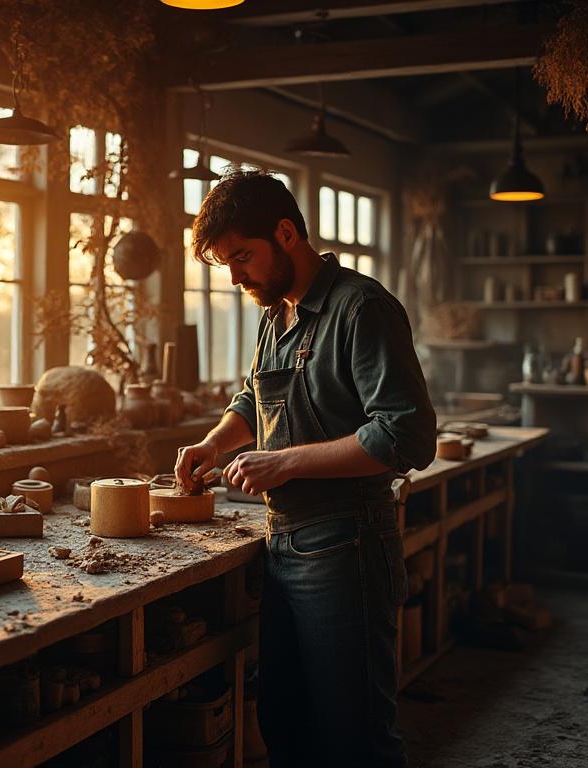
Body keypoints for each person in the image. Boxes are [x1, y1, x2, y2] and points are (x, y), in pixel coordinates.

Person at [175, 170, 436, 767]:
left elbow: (407, 435)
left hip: (349, 540)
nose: (236, 277)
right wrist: (214, 445)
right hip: (286, 540)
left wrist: (284, 462)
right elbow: (254, 397)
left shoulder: (361, 308)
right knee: (286, 722)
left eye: (243, 256)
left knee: (355, 736)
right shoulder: (278, 311)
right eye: (226, 264)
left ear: (287, 233)